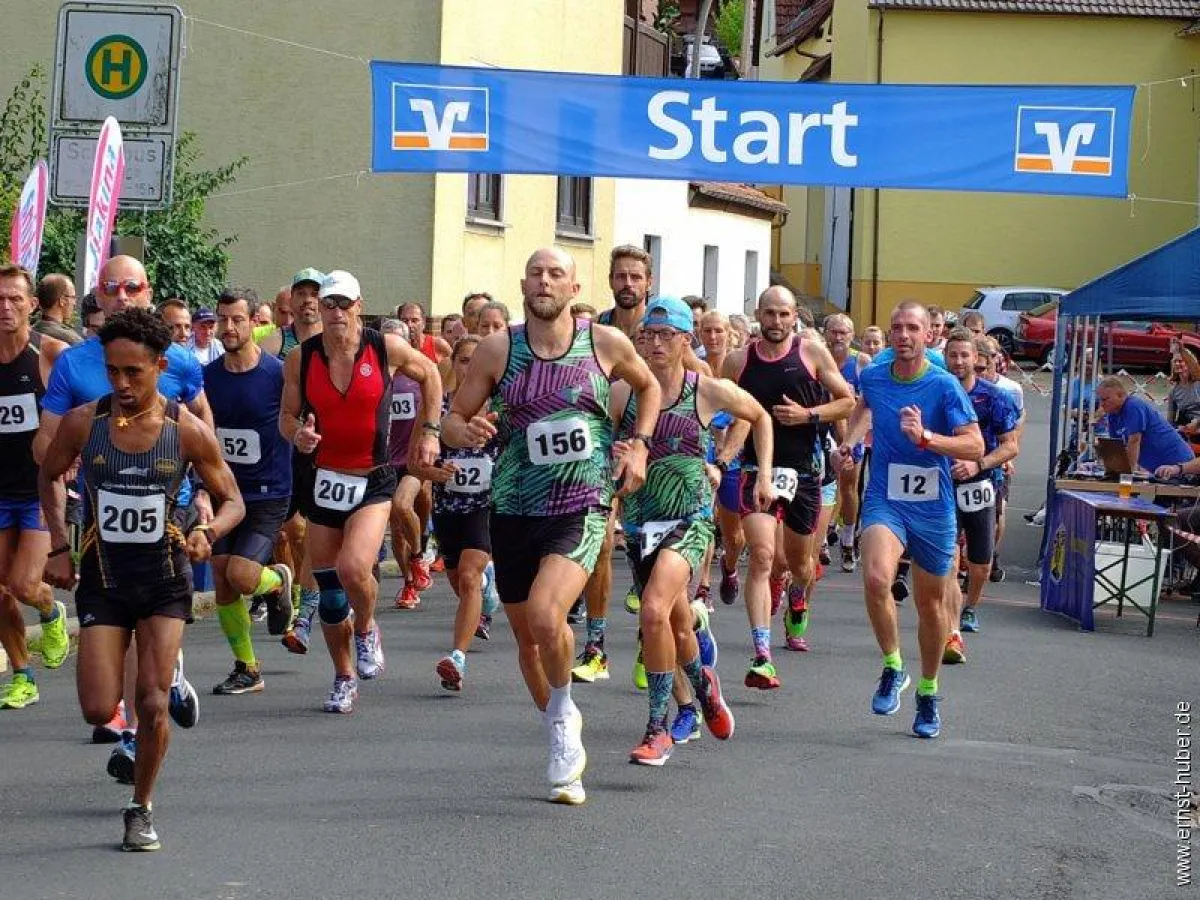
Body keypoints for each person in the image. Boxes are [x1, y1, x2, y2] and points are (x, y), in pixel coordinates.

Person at [443, 246, 659, 806]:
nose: (545, 281)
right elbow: (453, 418)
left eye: (555, 274)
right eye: (536, 273)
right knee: (527, 640)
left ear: (573, 286)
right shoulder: (498, 349)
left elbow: (649, 387)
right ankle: (557, 720)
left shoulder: (603, 342)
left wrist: (639, 445)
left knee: (546, 614)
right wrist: (459, 433)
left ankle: (563, 718)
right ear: (523, 285)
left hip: (581, 502)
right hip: (514, 505)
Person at [38, 307, 246, 852]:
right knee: (96, 706)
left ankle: (141, 807)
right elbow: (48, 474)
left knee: (150, 702)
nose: (123, 384)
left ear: (159, 365)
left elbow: (233, 502)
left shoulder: (186, 431)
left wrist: (208, 530)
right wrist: (59, 545)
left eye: (135, 372)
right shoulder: (87, 422)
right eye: (113, 371)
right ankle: (167, 680)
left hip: (164, 578)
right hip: (104, 579)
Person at [36, 255, 210, 780]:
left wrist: (202, 501)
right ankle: (160, 683)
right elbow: (48, 441)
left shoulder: (177, 360)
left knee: (149, 689)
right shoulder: (74, 363)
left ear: (147, 290)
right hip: (101, 536)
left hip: (166, 533)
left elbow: (204, 429)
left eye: (132, 285)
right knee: (96, 705)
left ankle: (142, 731)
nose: (122, 294)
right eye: (111, 286)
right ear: (98, 293)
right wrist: (62, 476)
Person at [281, 270, 442, 713]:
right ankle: (343, 676)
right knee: (331, 593)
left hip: (372, 478)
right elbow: (286, 417)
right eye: (327, 304)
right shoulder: (302, 357)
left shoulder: (382, 347)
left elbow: (430, 373)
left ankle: (368, 626)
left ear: (358, 305)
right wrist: (299, 436)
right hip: (324, 480)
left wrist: (429, 432)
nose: (334, 312)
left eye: (342, 304)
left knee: (355, 567)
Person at [617, 296, 756, 764]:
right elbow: (599, 443)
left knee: (652, 611)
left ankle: (658, 729)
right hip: (639, 521)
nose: (654, 344)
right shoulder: (623, 392)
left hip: (689, 518)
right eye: (647, 336)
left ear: (683, 340)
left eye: (665, 336)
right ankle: (703, 687)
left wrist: (722, 462)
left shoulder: (705, 389)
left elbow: (757, 416)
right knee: (674, 622)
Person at [837, 301, 982, 739]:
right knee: (878, 577)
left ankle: (928, 690)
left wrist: (927, 438)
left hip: (934, 505)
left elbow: (974, 446)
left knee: (930, 606)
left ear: (927, 336)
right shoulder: (876, 376)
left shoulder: (943, 386)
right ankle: (893, 665)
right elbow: (864, 408)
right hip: (886, 498)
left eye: (912, 328)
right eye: (896, 327)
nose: (903, 335)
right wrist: (850, 443)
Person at [722, 286, 854, 684]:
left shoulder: (811, 353)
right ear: (757, 315)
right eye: (769, 314)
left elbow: (846, 401)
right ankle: (761, 652)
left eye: (783, 314)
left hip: (804, 473)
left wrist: (808, 415)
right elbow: (725, 411)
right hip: (755, 470)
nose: (776, 322)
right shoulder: (738, 360)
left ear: (794, 315)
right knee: (762, 557)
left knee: (798, 564)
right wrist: (723, 454)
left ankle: (798, 595)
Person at [204, 288, 295, 695]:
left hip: (268, 491)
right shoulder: (208, 378)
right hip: (227, 493)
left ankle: (277, 580)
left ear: (252, 324)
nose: (228, 327)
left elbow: (298, 419)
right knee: (223, 578)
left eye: (237, 319)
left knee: (242, 576)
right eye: (223, 319)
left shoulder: (276, 374)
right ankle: (247, 667)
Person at [0, 264, 71, 710]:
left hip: (39, 492)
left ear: (31, 305)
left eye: (13, 299)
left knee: (25, 585)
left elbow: (88, 401)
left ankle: (50, 610)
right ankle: (23, 675)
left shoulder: (51, 355)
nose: (5, 308)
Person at [420, 335, 498, 689]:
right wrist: (432, 472)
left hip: (486, 510)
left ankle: (458, 659)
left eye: (477, 360)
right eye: (464, 360)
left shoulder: (503, 413)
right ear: (454, 364)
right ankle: (487, 588)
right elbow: (412, 462)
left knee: (467, 576)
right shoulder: (436, 412)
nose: (470, 368)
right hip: (448, 511)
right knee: (460, 581)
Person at [941, 329, 1019, 663]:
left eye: (964, 355)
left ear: (977, 359)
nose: (958, 361)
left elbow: (1010, 446)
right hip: (941, 484)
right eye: (952, 355)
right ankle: (949, 625)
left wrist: (978, 464)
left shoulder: (995, 397)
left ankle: (970, 606)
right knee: (947, 557)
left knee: (980, 561)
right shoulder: (937, 391)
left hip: (981, 483)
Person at [263, 269, 324, 653]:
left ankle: (306, 601)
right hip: (282, 447)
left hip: (323, 450)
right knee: (286, 531)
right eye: (300, 293)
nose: (306, 300)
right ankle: (290, 588)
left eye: (313, 293)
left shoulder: (332, 344)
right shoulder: (275, 342)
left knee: (308, 531)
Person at [387, 318, 435, 612]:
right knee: (396, 520)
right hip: (382, 461)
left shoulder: (419, 375)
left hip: (413, 458)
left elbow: (435, 407)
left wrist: (431, 437)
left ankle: (420, 553)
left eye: (396, 341)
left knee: (405, 505)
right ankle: (408, 580)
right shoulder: (373, 376)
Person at [824, 313, 870, 572]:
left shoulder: (861, 362)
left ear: (853, 336)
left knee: (848, 487)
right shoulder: (816, 357)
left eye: (844, 332)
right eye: (834, 332)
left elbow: (867, 403)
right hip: (821, 430)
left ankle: (848, 538)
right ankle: (819, 540)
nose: (838, 337)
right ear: (825, 333)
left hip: (851, 432)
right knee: (819, 484)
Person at [1097, 375, 1194, 475]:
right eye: (1100, 399)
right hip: (1159, 469)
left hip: (1178, 463)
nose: (1101, 404)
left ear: (1121, 395)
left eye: (1105, 399)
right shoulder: (1112, 414)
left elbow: (1134, 441)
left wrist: (1127, 473)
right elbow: (1116, 446)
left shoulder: (1133, 405)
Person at [397, 302, 452, 379]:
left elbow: (455, 371)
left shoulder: (438, 345)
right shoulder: (395, 348)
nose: (409, 325)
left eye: (414, 320)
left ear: (423, 323)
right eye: (405, 320)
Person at [34, 273, 82, 345]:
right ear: (62, 300)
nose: (74, 303)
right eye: (73, 297)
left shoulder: (30, 333)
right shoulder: (72, 340)